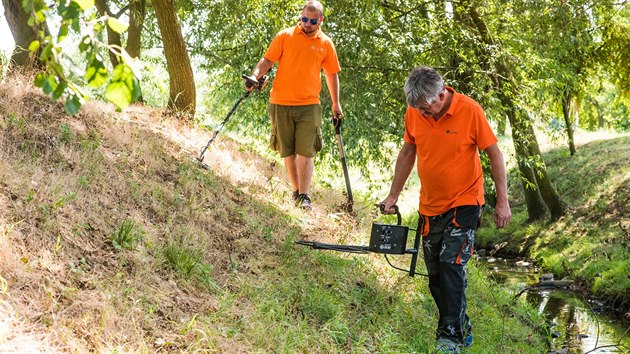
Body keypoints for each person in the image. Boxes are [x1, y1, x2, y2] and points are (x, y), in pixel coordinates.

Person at [380, 66, 511, 353]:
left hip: (465, 201)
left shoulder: (469, 110)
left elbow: (494, 153)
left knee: (452, 263)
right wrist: (392, 195)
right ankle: (460, 321)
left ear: (441, 94)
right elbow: (408, 152)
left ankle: (448, 336)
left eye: (426, 109)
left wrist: (502, 201)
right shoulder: (415, 111)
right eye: (418, 110)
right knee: (436, 274)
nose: (422, 115)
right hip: (430, 205)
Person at [244, 0, 343, 210]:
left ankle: (305, 195)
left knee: (306, 151)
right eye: (304, 19)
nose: (307, 24)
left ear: (320, 20)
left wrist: (336, 103)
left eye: (312, 21)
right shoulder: (285, 36)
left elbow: (331, 74)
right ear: (301, 16)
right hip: (280, 102)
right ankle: (297, 191)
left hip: (309, 105)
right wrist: (254, 76)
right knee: (288, 151)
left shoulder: (325, 43)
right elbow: (268, 60)